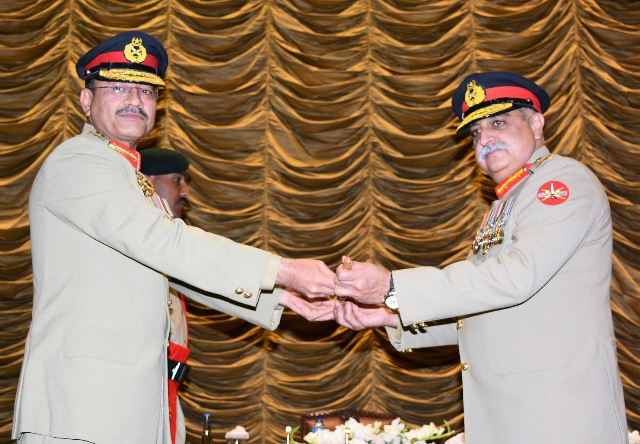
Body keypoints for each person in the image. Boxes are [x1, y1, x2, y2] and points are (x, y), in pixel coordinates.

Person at [12, 30, 335, 444]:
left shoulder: (127, 174)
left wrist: (281, 297)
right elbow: (167, 244)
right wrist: (285, 270)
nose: (135, 99)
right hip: (81, 407)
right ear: (86, 101)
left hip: (125, 404)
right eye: (117, 88)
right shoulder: (79, 160)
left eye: (146, 91)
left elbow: (167, 267)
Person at [332, 72, 628, 443]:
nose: (485, 138)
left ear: (536, 124)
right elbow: (486, 312)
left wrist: (392, 286)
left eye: (498, 123)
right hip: (513, 416)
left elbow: (514, 278)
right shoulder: (507, 202)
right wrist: (388, 314)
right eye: (475, 133)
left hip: (557, 414)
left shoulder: (561, 182)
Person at [139, 147, 192, 444]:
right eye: (177, 180)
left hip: (167, 392)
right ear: (147, 182)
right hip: (140, 396)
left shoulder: (170, 243)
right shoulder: (131, 243)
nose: (186, 192)